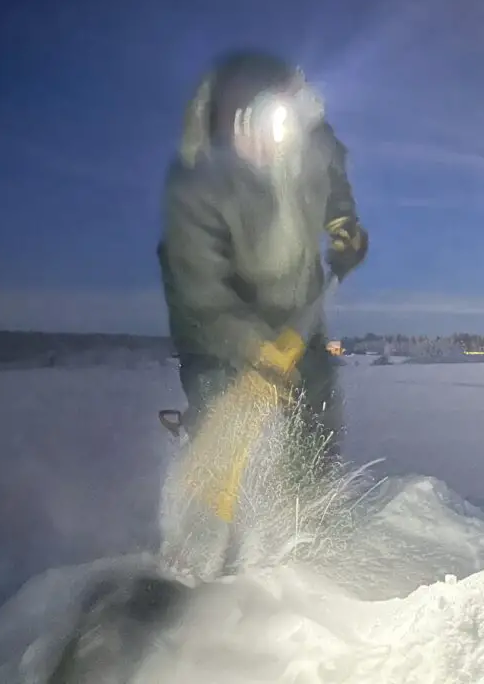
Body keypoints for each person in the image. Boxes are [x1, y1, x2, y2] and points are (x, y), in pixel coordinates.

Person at [156, 49, 368, 482]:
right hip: (215, 321)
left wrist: (343, 222)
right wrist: (254, 350)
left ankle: (306, 510)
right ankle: (202, 519)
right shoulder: (196, 186)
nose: (267, 141)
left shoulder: (311, 147)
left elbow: (333, 180)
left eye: (278, 124)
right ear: (224, 127)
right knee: (222, 407)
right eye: (248, 127)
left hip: (295, 305)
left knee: (316, 406)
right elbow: (204, 296)